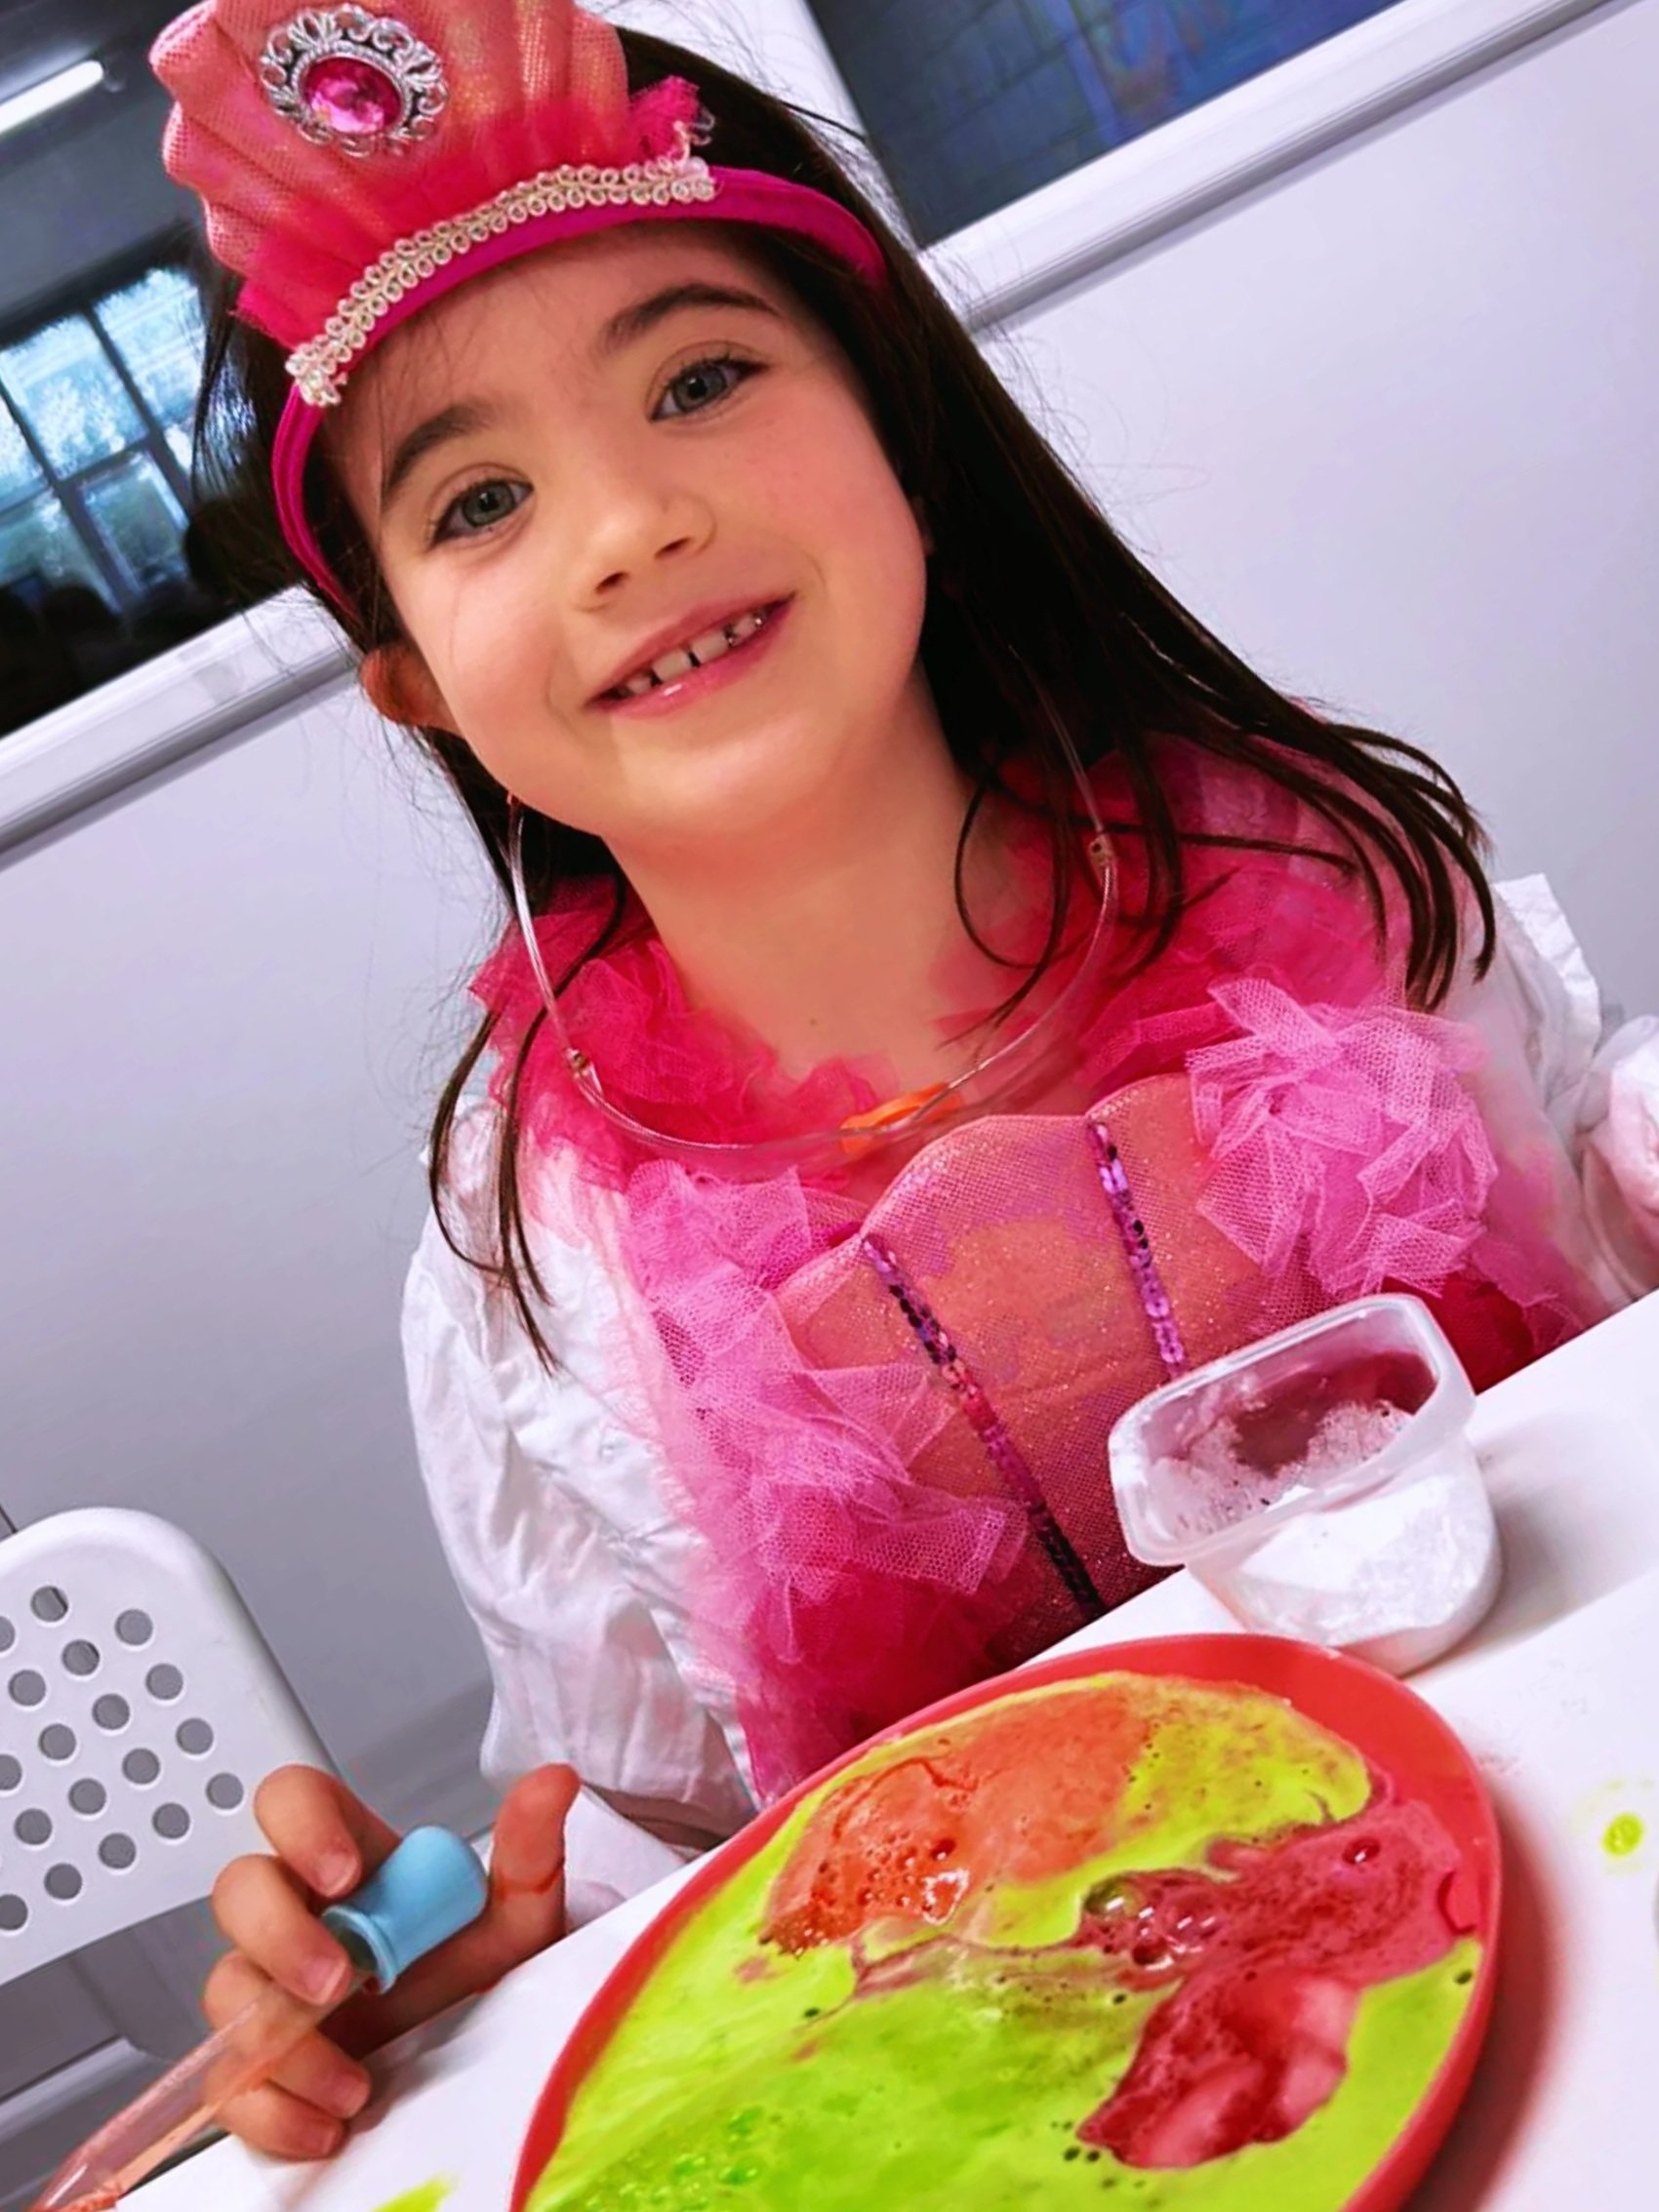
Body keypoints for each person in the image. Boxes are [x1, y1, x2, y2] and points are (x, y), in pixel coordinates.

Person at [148, 0, 1659, 2159]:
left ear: (899, 434)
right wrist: (457, 1976)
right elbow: (669, 1846)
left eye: (700, 380)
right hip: (1104, 2130)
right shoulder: (527, 1274)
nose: (627, 525)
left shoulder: (1340, 887)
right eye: (479, 499)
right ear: (412, 683)